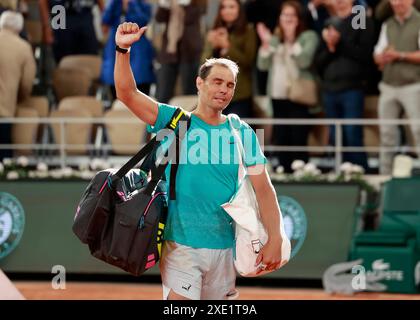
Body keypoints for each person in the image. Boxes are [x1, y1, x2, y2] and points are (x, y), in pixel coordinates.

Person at [114, 21, 285, 300]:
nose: (224, 90)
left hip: (225, 248)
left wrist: (276, 237)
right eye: (217, 82)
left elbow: (264, 190)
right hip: (180, 246)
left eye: (230, 85)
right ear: (199, 83)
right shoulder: (175, 121)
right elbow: (126, 93)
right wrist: (122, 49)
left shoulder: (242, 132)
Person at [257, 0, 319, 172]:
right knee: (281, 137)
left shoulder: (308, 37)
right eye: (285, 15)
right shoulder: (275, 39)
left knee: (298, 137)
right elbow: (262, 65)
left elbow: (304, 61)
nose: (288, 19)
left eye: (292, 15)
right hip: (277, 96)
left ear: (299, 18)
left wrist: (292, 40)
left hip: (299, 96)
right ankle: (283, 171)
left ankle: (301, 173)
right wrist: (266, 45)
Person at [315, 0, 376, 171]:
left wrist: (339, 42)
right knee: (335, 135)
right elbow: (318, 62)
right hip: (329, 89)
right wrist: (330, 47)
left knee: (352, 133)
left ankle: (359, 172)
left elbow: (364, 54)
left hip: (352, 87)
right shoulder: (329, 22)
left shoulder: (360, 17)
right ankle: (340, 171)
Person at [374, 0, 420, 174]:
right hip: (388, 85)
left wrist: (399, 55)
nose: (397, 3)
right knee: (386, 135)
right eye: (393, 0)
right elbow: (377, 52)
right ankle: (383, 179)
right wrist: (381, 57)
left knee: (418, 131)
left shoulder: (419, 21)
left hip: (414, 85)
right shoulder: (388, 24)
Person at [202, 0, 256, 119]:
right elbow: (204, 65)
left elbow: (248, 61)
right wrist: (212, 45)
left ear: (239, 10)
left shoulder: (248, 30)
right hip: (213, 94)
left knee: (235, 134)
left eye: (231, 7)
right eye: (224, 7)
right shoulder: (214, 31)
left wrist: (227, 46)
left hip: (239, 94)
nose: (227, 11)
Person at [154, 0, 207, 104]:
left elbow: (192, 18)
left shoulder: (198, 3)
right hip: (169, 51)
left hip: (189, 51)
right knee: (163, 92)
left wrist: (185, 4)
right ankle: (162, 119)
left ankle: (189, 119)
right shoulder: (171, 2)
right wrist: (164, 5)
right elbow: (159, 18)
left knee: (189, 91)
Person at [101, 0, 155, 99]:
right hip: (114, 48)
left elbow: (143, 20)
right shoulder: (114, 4)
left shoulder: (143, 5)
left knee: (141, 86)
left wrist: (131, 3)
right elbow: (105, 20)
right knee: (115, 87)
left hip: (138, 49)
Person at [0, 10, 36, 160]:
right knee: (3, 164)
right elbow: (27, 83)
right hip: (3, 111)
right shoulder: (23, 47)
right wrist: (20, 98)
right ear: (19, 28)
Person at [39, 0, 104, 63]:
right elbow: (43, 2)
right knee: (64, 62)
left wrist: (107, 20)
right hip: (61, 17)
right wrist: (47, 28)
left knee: (90, 60)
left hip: (84, 17)